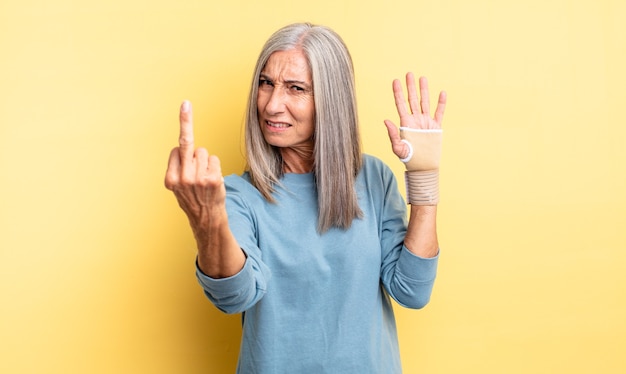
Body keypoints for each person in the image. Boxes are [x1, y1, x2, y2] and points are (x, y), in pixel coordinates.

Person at [165, 22, 447, 374]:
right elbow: (233, 297)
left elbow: (411, 291)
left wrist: (423, 179)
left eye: (295, 88)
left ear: (331, 101)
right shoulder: (239, 194)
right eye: (266, 84)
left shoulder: (374, 179)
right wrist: (207, 219)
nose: (271, 105)